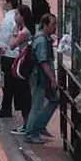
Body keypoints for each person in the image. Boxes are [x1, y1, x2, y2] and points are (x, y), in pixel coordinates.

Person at [21, 13, 59, 142]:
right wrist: (52, 78)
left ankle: (40, 125)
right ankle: (31, 133)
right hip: (39, 77)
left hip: (42, 77)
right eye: (53, 24)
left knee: (54, 99)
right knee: (37, 105)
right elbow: (43, 62)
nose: (55, 27)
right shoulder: (42, 40)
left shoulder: (42, 38)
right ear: (45, 25)